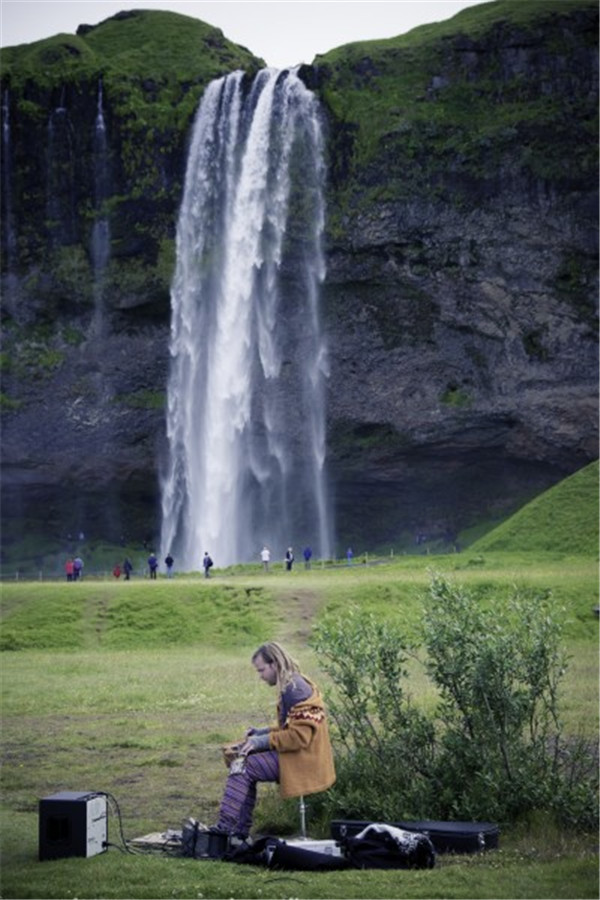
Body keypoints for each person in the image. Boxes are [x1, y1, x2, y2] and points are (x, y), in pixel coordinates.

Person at [214, 641, 336, 839]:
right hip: (299, 755)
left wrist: (258, 743)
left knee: (243, 766)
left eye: (261, 670)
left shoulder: (295, 690)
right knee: (243, 765)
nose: (260, 676)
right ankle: (237, 832)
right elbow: (289, 728)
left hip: (304, 761)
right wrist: (259, 733)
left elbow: (298, 737)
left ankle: (226, 831)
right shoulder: (293, 683)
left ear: (275, 665)